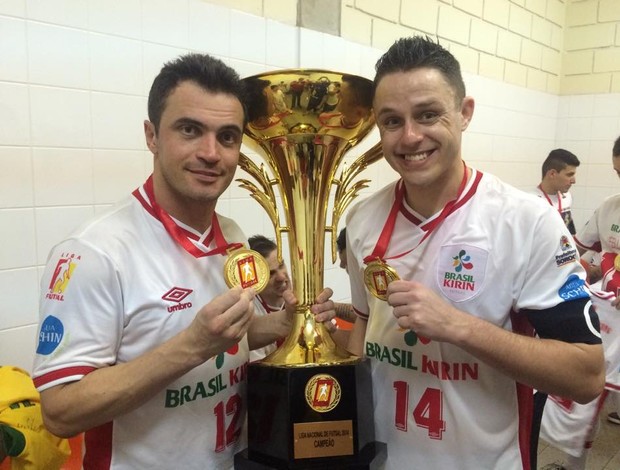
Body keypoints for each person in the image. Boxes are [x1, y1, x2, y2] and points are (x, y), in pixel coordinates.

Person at [31, 53, 335, 470]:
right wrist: (191, 346)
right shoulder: (95, 252)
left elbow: (229, 342)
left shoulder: (231, 235)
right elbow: (61, 410)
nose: (211, 153)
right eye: (190, 130)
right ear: (152, 135)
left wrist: (282, 325)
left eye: (227, 137)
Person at [345, 35, 605, 469]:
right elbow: (364, 328)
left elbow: (587, 375)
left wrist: (458, 326)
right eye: (392, 121)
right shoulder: (362, 220)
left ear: (464, 113)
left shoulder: (527, 222)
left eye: (428, 115)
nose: (410, 137)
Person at [247, 234, 291, 361]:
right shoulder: (251, 314)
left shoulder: (303, 295)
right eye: (270, 273)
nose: (282, 277)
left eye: (281, 265)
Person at [533, 149, 581, 235]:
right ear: (552, 174)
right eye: (569, 175)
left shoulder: (567, 197)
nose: (574, 181)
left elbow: (570, 230)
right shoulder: (532, 201)